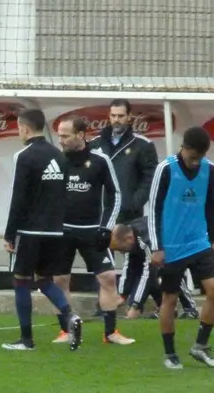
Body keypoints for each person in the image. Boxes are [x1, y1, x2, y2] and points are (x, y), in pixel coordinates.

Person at [2, 108, 83, 352]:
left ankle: (26, 340)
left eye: (18, 128)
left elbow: (19, 198)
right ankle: (70, 316)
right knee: (45, 280)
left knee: (21, 280)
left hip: (30, 231)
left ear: (25, 128)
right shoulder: (60, 156)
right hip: (55, 231)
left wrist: (9, 233)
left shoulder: (24, 156)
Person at [51, 116, 134, 345]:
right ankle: (65, 331)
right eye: (59, 135)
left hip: (92, 231)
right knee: (60, 280)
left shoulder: (100, 160)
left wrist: (106, 228)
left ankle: (110, 333)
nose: (61, 140)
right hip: (62, 232)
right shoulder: (56, 160)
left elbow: (115, 195)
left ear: (80, 134)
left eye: (65, 135)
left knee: (108, 278)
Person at [146, 126, 214, 370]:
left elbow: (211, 208)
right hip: (171, 246)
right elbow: (153, 209)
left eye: (200, 157)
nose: (196, 162)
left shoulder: (209, 169)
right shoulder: (166, 169)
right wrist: (157, 247)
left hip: (199, 242)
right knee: (170, 299)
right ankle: (170, 353)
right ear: (183, 147)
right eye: (192, 156)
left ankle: (200, 346)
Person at [89, 98, 159, 316]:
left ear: (130, 117)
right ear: (108, 116)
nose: (117, 120)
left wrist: (134, 202)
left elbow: (150, 179)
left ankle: (138, 304)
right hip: (103, 214)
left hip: (130, 216)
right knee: (102, 262)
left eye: (121, 115)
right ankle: (104, 307)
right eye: (113, 115)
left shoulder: (143, 145)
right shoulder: (96, 143)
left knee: (137, 261)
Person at [110, 218, 198, 319]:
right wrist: (123, 294)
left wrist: (136, 305)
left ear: (129, 238)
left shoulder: (145, 239)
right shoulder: (131, 234)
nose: (122, 252)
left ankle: (190, 309)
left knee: (170, 272)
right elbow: (128, 268)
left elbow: (149, 270)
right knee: (149, 275)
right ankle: (166, 308)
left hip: (179, 242)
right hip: (160, 251)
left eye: (121, 249)